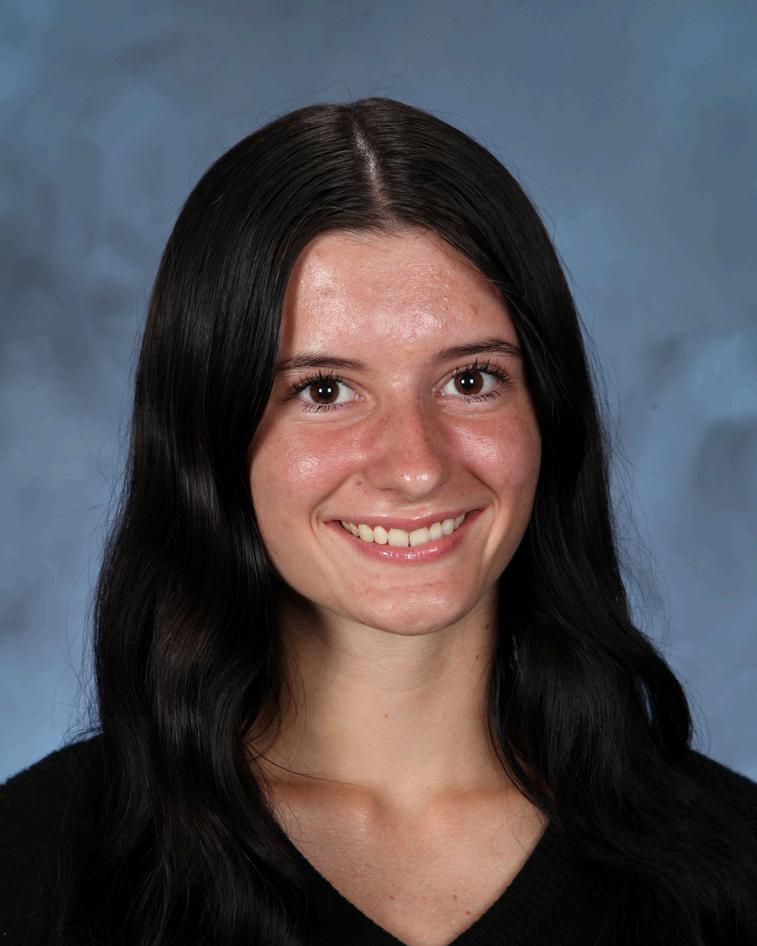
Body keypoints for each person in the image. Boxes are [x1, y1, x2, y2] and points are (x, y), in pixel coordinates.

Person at [1, 97, 755, 946]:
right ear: (208, 437)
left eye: (470, 380)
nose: (416, 465)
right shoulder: (37, 870)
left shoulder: (729, 868)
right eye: (323, 390)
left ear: (548, 413)